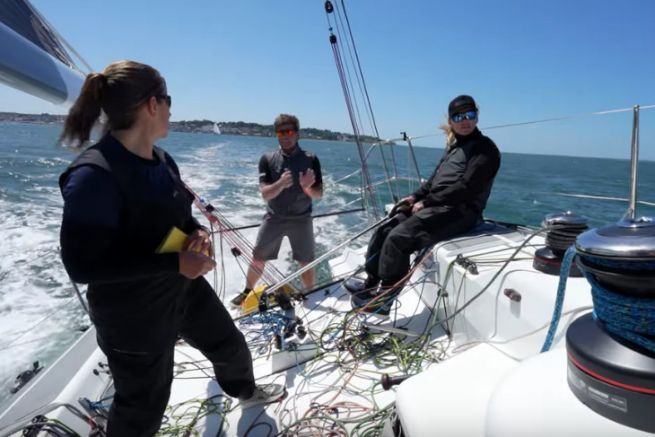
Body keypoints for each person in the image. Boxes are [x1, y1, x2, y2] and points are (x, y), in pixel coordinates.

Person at [58, 60, 284, 436]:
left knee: (229, 345)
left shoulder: (163, 161)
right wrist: (175, 262)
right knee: (144, 403)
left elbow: (178, 217)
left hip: (182, 289)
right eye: (168, 100)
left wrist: (196, 233)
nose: (171, 109)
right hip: (132, 316)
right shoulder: (94, 176)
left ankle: (245, 391)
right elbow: (82, 265)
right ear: (151, 105)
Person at [345, 95, 501, 315]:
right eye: (458, 116)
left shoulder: (485, 150)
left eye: (469, 115)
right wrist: (414, 197)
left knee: (399, 238)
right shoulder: (456, 148)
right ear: (451, 120)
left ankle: (385, 299)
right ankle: (371, 283)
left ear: (477, 116)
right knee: (385, 230)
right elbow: (433, 182)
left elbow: (468, 188)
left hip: (462, 211)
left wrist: (428, 202)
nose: (464, 121)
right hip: (440, 206)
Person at [230, 114, 323, 307]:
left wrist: (307, 188)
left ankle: (310, 293)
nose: (285, 136)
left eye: (289, 131)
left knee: (305, 261)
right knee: (258, 258)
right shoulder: (267, 159)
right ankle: (247, 292)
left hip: (302, 219)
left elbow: (319, 194)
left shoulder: (311, 159)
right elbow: (265, 194)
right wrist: (280, 184)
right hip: (274, 217)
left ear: (297, 134)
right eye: (281, 132)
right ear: (276, 135)